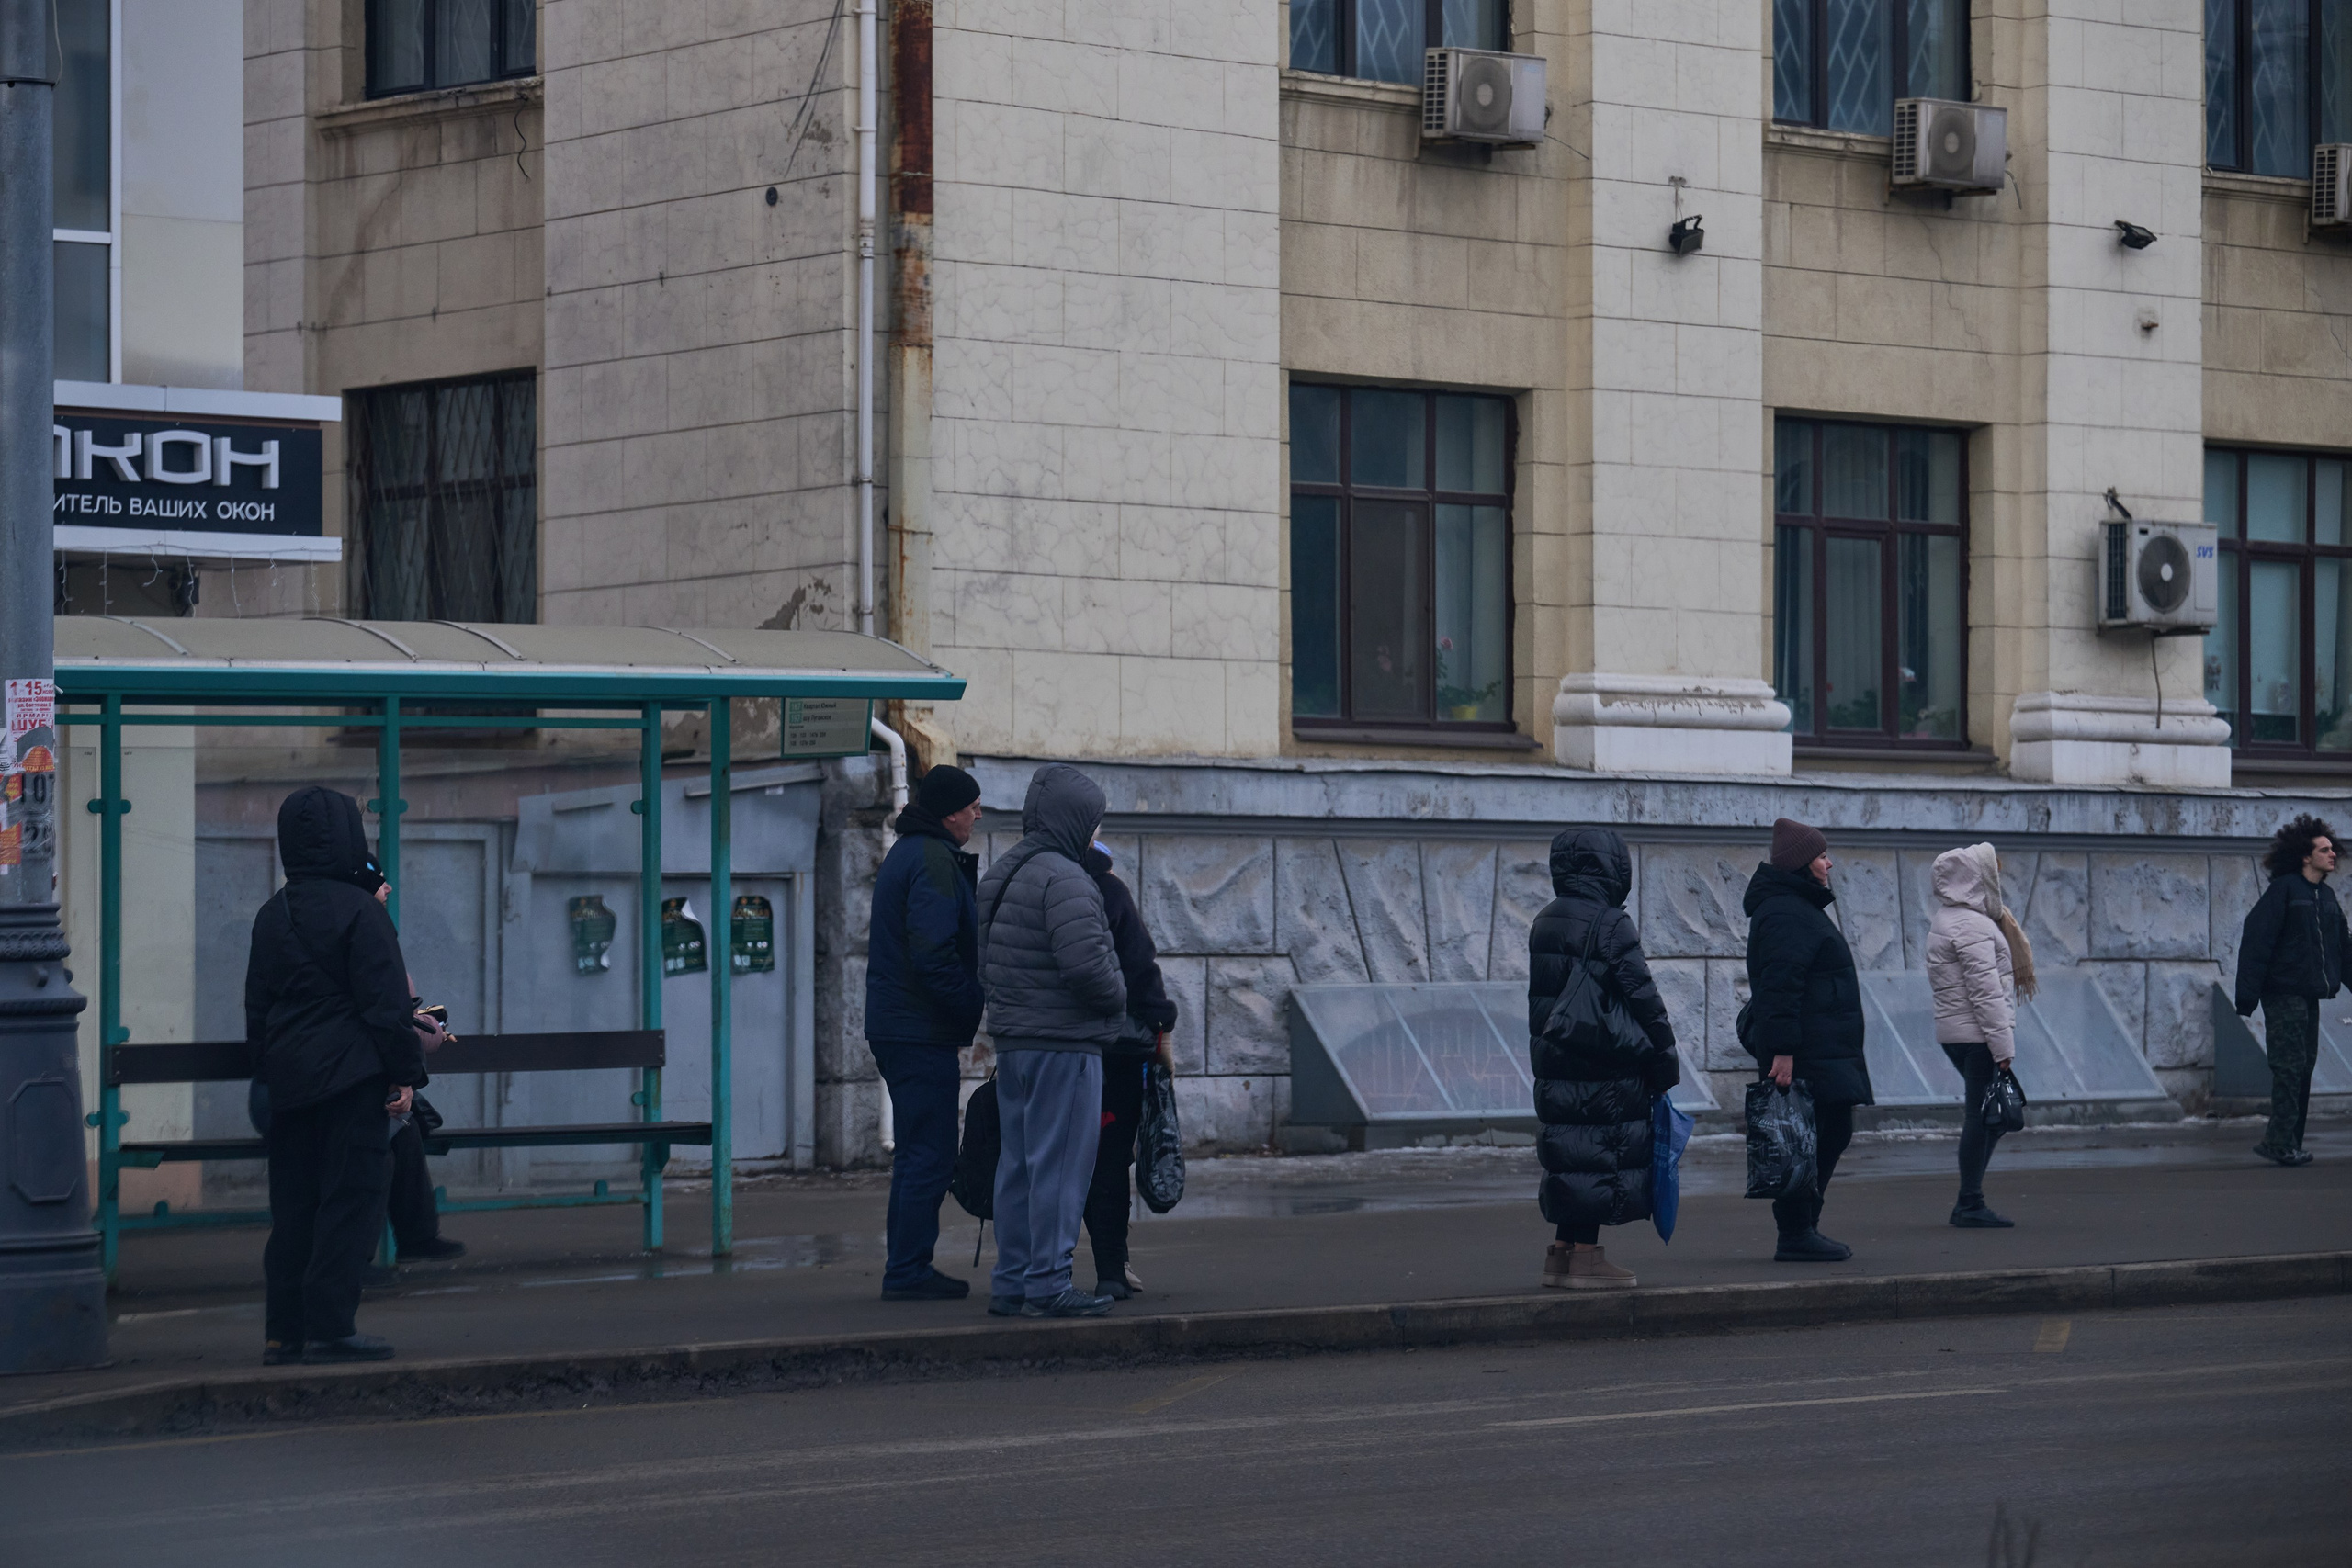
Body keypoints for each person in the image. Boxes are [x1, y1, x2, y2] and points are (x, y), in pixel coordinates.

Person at [245, 786, 438, 1365]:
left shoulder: (272, 914)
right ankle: (331, 1326)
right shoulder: (363, 913)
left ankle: (283, 1333)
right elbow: (386, 1009)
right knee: (349, 1204)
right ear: (352, 840)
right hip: (354, 1081)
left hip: (291, 1086)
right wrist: (406, 1079)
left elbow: (258, 1007)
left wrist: (272, 1070)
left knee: (294, 1209)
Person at [976, 764, 1127, 1319]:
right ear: (1074, 820)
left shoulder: (1002, 873)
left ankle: (1012, 1282)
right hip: (1064, 1043)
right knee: (1061, 1169)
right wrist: (1118, 997)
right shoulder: (1065, 877)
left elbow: (983, 961)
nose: (1095, 833)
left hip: (1014, 1042)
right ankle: (1049, 1284)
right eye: (1094, 822)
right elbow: (1087, 966)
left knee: (1016, 1168)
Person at [1527, 827, 1680, 1290]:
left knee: (1574, 1152)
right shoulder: (1611, 923)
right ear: (1612, 867)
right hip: (1605, 1060)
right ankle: (1587, 1260)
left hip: (1557, 1056)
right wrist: (1665, 1059)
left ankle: (1565, 1254)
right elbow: (1642, 997)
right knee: (1597, 1153)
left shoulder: (1547, 918)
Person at [865, 763, 989, 1300]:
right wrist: (970, 1007)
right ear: (949, 812)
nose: (978, 814)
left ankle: (906, 1265)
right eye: (972, 806)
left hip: (902, 1026)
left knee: (919, 1149)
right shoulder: (933, 860)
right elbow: (935, 955)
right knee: (931, 1152)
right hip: (919, 1029)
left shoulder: (911, 852)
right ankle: (908, 1271)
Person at [1743, 817, 1874, 1263]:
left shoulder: (1794, 908)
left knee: (1828, 1131)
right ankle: (1797, 1231)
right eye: (1821, 855)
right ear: (1802, 863)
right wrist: (1782, 1050)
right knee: (1811, 1135)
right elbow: (1780, 986)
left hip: (1821, 1047)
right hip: (1806, 1051)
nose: (1829, 863)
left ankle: (1803, 1227)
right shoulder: (1785, 912)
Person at [1079, 840, 1178, 1301]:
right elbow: (1138, 966)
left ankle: (1037, 1272)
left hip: (1048, 1045)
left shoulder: (1027, 881)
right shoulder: (1107, 890)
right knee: (1111, 1157)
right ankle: (1112, 1266)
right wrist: (1162, 1026)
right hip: (1116, 1049)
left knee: (1052, 1158)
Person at [1926, 842, 2037, 1227]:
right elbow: (1985, 993)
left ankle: (1970, 1199)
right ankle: (1969, 1203)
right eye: (1994, 874)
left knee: (1995, 1115)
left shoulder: (1951, 919)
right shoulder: (1971, 926)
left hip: (1964, 1035)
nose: (1998, 881)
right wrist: (2003, 1046)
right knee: (1985, 1116)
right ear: (1976, 880)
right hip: (1977, 1036)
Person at [2233, 814, 2346, 1168]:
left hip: (2309, 994)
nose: (2333, 855)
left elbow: (2344, 947)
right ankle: (2279, 1141)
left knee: (2305, 1066)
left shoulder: (2325, 896)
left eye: (2332, 849)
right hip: (2283, 994)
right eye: (2324, 850)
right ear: (2304, 856)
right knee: (2289, 1066)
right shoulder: (2284, 891)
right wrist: (2248, 996)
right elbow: (2257, 939)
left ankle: (2289, 1142)